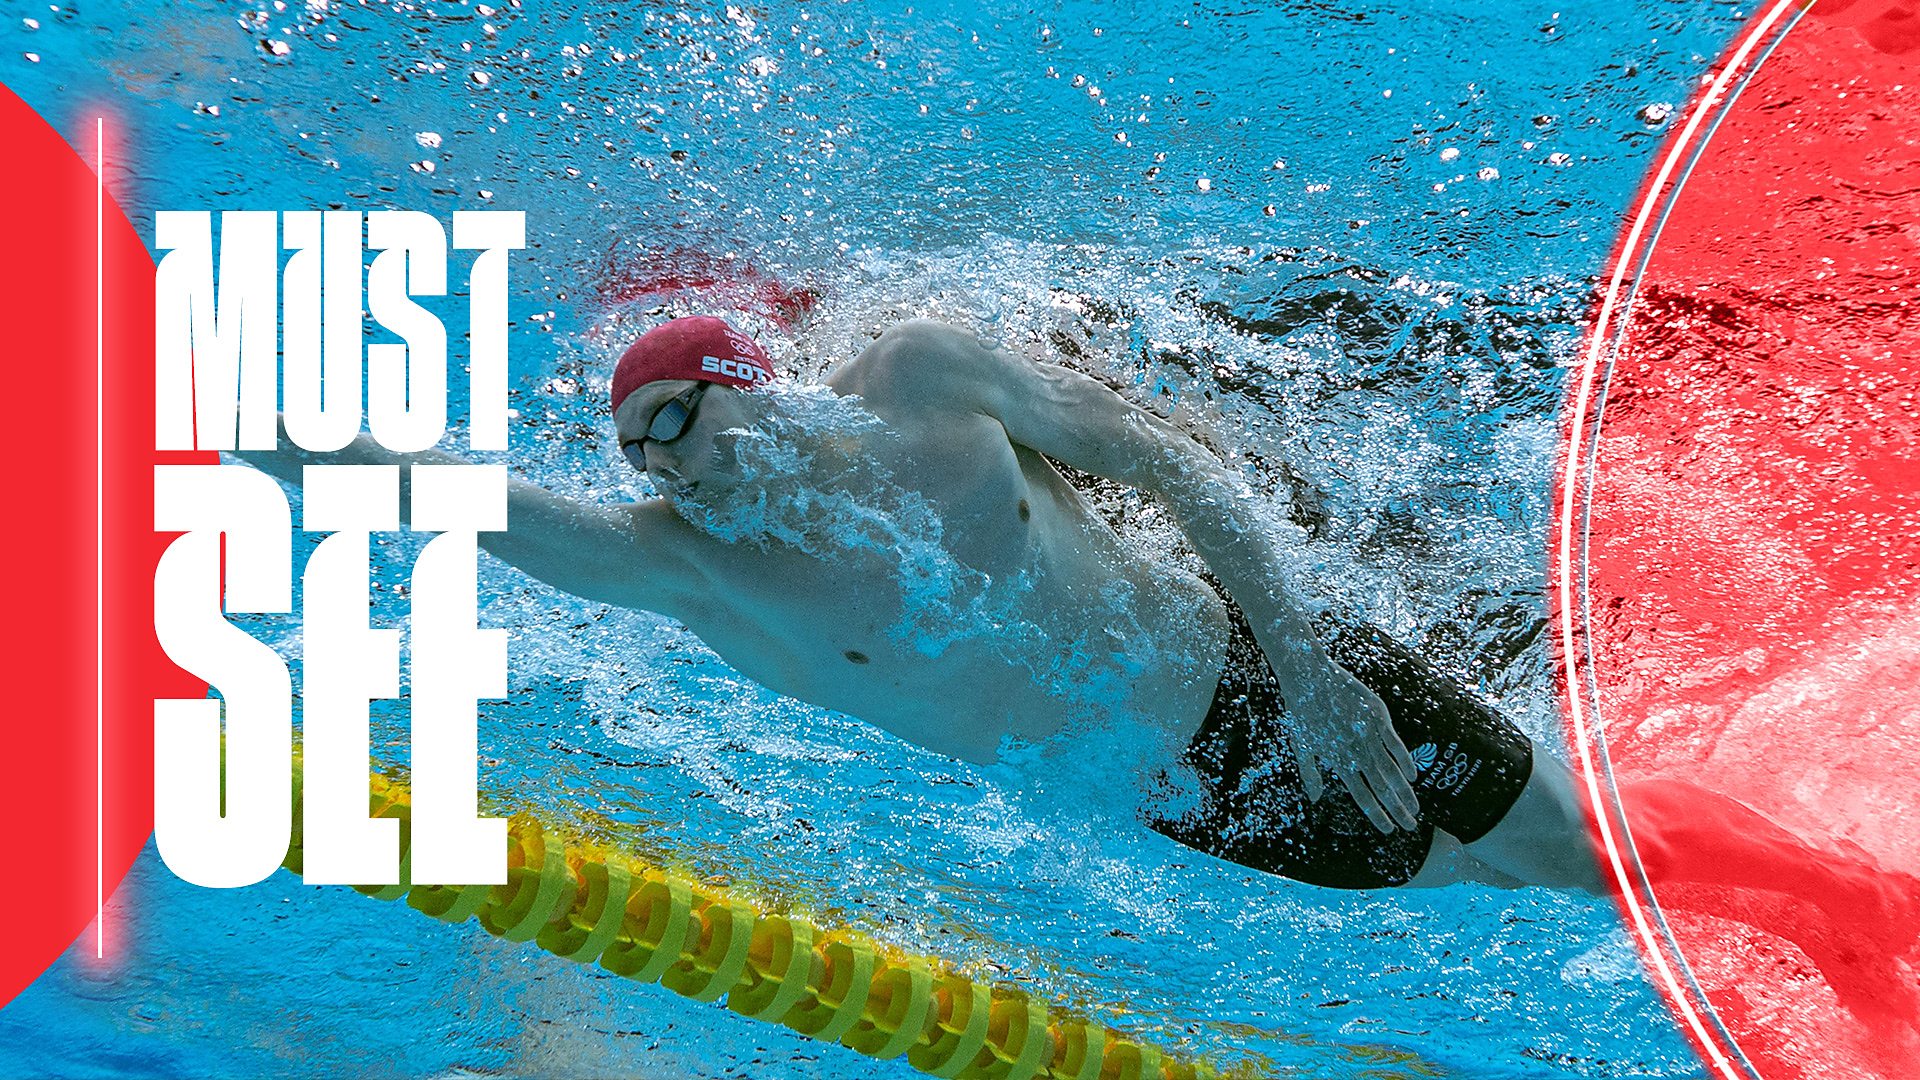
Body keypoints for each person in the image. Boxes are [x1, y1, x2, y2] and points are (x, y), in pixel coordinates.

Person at [239, 316, 1916, 1022]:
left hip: (1271, 674)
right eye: (638, 447)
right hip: (1182, 788)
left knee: (1570, 844)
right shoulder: (685, 570)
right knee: (1488, 878)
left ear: (759, 383)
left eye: (678, 415)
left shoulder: (921, 389)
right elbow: (440, 490)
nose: (664, 462)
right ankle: (1806, 896)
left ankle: (1848, 905)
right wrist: (223, 416)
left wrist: (1312, 670)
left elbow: (1182, 475)